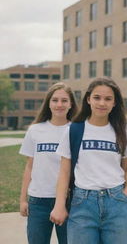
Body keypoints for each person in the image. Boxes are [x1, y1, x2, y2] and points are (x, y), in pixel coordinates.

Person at [50, 77, 127, 244]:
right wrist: (59, 205)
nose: (102, 103)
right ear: (88, 99)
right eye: (97, 97)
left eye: (108, 99)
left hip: (117, 201)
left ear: (115, 103)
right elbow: (64, 172)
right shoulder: (74, 130)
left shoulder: (123, 130)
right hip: (83, 203)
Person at [19, 82, 78, 244]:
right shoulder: (35, 130)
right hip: (38, 200)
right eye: (55, 100)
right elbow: (29, 166)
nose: (59, 104)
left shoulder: (77, 130)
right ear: (48, 103)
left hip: (69, 199)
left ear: (71, 104)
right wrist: (23, 199)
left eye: (64, 100)